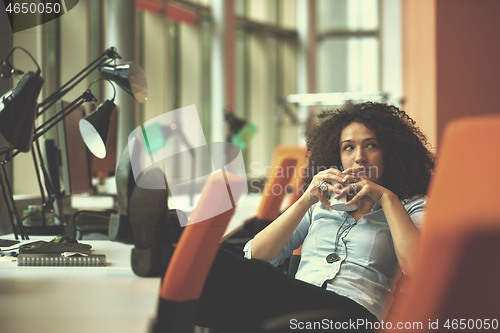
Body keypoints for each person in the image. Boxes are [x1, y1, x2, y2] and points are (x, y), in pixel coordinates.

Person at [193, 102, 435, 332]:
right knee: (209, 265)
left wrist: (386, 198)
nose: (359, 156)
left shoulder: (409, 205)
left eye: (371, 145)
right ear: (338, 156)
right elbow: (257, 255)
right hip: (300, 305)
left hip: (355, 316)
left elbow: (419, 268)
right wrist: (306, 199)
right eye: (349, 147)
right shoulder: (321, 204)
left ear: (389, 153)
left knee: (224, 285)